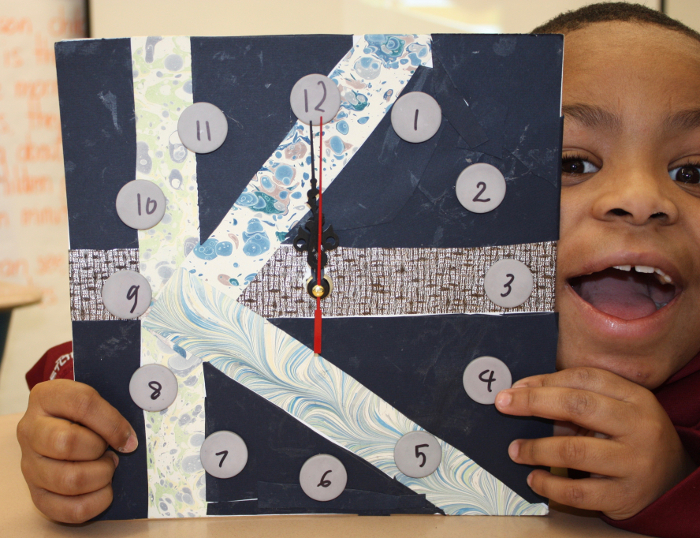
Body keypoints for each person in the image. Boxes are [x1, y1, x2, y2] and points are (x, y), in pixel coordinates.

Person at [15, 2, 700, 534]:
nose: (641, 201)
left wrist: (676, 478)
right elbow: (95, 359)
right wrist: (73, 433)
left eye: (692, 171)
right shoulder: (418, 333)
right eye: (573, 163)